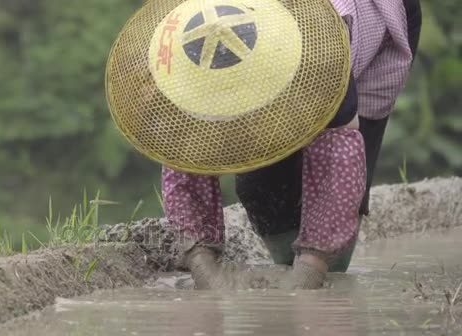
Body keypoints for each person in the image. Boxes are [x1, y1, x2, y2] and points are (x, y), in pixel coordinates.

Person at [163, 0, 422, 290]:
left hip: (359, 31)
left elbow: (341, 157)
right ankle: (287, 260)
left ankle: (324, 272)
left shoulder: (322, 49)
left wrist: (310, 271)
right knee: (259, 188)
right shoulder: (187, 59)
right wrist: (203, 267)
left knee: (341, 185)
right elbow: (182, 153)